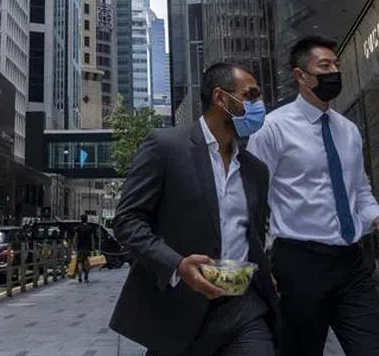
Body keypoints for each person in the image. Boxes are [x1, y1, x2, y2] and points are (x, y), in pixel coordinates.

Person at [247, 36, 379, 356]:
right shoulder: (272, 129)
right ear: (300, 75)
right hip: (298, 264)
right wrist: (258, 266)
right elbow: (250, 200)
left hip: (351, 263)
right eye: (324, 66)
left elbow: (360, 192)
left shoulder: (348, 130)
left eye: (337, 65)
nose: (334, 73)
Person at [110, 63, 278, 356]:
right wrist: (177, 265)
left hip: (244, 307)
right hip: (180, 309)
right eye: (250, 96)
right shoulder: (166, 147)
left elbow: (254, 234)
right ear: (221, 98)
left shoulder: (256, 171)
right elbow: (127, 220)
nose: (258, 105)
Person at [74, 214, 96, 283]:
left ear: (81, 219)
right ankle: (86, 277)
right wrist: (93, 246)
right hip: (88, 248)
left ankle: (80, 274)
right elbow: (92, 238)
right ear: (87, 219)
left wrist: (74, 245)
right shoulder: (90, 228)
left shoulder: (78, 227)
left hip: (80, 248)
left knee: (80, 262)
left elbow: (75, 237)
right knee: (87, 263)